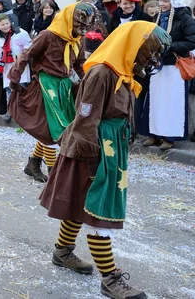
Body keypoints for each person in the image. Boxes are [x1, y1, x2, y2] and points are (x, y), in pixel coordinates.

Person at [40, 21, 171, 299]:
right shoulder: (102, 72)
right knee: (100, 212)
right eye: (149, 52)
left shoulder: (123, 71)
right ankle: (110, 278)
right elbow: (86, 118)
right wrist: (93, 160)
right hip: (94, 151)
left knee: (80, 203)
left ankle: (62, 251)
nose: (152, 59)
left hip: (109, 148)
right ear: (132, 45)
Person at [9, 3, 96, 183]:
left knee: (52, 128)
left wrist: (87, 82)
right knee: (51, 128)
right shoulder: (48, 35)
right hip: (46, 84)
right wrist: (15, 77)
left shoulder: (78, 39)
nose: (82, 28)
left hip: (64, 87)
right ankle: (54, 171)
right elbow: (26, 54)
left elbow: (78, 63)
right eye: (79, 23)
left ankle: (33, 163)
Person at [140, 0, 195, 150]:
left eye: (165, 1)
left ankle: (169, 136)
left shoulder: (185, 19)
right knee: (156, 100)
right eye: (161, 0)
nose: (162, 4)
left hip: (175, 66)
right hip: (158, 64)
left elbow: (191, 42)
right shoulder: (158, 17)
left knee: (172, 102)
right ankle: (154, 133)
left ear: (174, 1)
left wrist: (167, 46)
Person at [0, 14, 31, 122]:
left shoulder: (20, 33)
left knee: (21, 88)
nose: (5, 26)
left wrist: (23, 56)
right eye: (2, 24)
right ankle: (11, 110)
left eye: (6, 23)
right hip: (7, 67)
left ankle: (22, 112)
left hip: (20, 66)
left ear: (10, 23)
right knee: (9, 90)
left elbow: (29, 46)